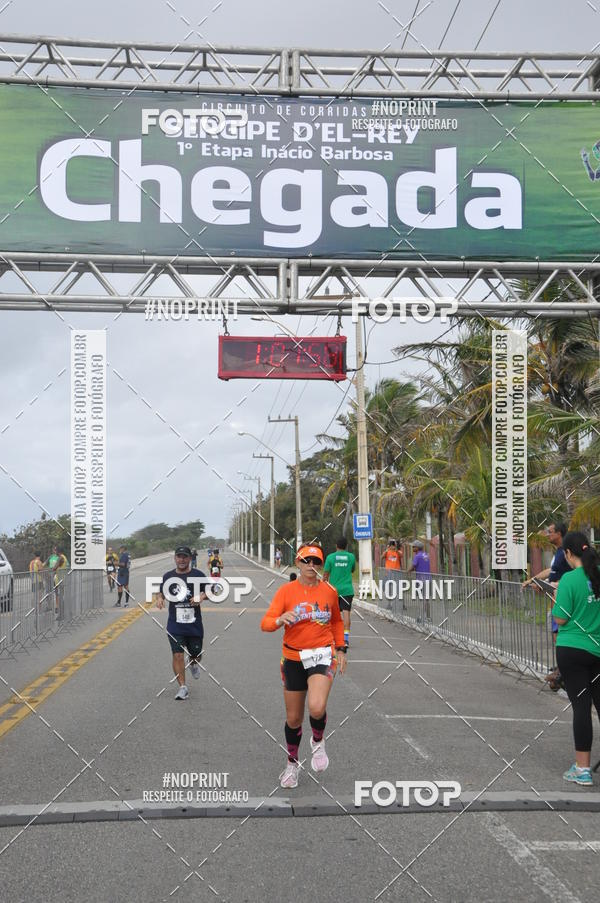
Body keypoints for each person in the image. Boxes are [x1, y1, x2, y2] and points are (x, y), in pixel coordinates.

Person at [261, 543, 346, 789]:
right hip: (293, 658)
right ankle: (292, 763)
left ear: (321, 565)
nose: (311, 566)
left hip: (322, 655)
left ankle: (317, 741)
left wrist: (341, 648)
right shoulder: (286, 591)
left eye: (316, 562)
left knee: (317, 707)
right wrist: (280, 619)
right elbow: (265, 623)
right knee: (294, 718)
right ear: (297, 563)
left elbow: (337, 622)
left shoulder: (329, 591)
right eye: (306, 561)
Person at [551, 532, 600, 786]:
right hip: (597, 649)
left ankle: (582, 769)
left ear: (568, 554)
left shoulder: (569, 579)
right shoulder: (597, 574)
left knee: (581, 707)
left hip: (572, 650)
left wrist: (556, 596)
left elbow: (560, 618)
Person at [523, 522, 571, 689]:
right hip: (554, 603)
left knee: (561, 638)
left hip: (562, 604)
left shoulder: (567, 553)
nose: (547, 535)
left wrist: (548, 585)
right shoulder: (558, 552)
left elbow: (567, 578)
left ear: (559, 533)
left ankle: (563, 674)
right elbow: (551, 571)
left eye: (550, 532)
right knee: (557, 638)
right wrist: (534, 579)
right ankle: (561, 670)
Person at [156, 546, 207, 700]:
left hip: (194, 624)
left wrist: (201, 597)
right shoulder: (168, 576)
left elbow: (213, 590)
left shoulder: (198, 575)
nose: (182, 560)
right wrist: (160, 598)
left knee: (196, 654)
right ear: (175, 558)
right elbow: (161, 591)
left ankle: (193, 663)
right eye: (179, 556)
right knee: (177, 655)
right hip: (175, 624)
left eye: (185, 557)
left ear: (190, 558)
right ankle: (183, 687)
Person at [323, 536, 356, 650]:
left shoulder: (330, 557)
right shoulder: (351, 557)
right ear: (346, 546)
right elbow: (352, 570)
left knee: (331, 615)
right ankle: (345, 640)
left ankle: (332, 638)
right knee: (346, 614)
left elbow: (326, 574)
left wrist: (323, 584)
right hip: (347, 590)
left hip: (333, 591)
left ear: (336, 546)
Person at [409, 540, 432, 621]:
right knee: (427, 599)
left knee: (422, 599)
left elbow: (413, 566)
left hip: (421, 580)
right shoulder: (426, 555)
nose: (412, 548)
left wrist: (407, 571)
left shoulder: (417, 556)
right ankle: (428, 617)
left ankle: (421, 617)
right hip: (428, 579)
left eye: (414, 547)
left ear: (417, 548)